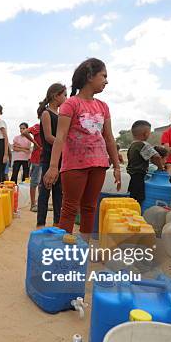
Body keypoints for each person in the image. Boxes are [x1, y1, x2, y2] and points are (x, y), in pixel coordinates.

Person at [43, 58, 121, 235]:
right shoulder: (71, 104)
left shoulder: (103, 106)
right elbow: (60, 137)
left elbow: (109, 138)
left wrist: (116, 166)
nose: (106, 81)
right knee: (70, 208)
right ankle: (64, 253)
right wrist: (53, 166)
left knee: (90, 208)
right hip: (74, 165)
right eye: (103, 76)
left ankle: (84, 249)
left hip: (99, 164)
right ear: (89, 76)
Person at [36, 83, 66, 225]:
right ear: (56, 96)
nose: (66, 98)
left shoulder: (60, 115)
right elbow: (48, 137)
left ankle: (57, 222)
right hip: (49, 157)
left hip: (60, 158)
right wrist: (63, 145)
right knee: (45, 191)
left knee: (58, 191)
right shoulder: (46, 114)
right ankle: (40, 223)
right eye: (64, 95)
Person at [127, 121, 166, 205]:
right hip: (139, 176)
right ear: (145, 134)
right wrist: (160, 167)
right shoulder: (144, 144)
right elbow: (156, 157)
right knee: (138, 199)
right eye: (149, 132)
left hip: (130, 175)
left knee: (131, 197)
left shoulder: (132, 145)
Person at [25, 123, 43, 212]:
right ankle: (33, 204)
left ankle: (41, 204)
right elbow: (25, 132)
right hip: (36, 158)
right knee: (35, 182)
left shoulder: (51, 126)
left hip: (46, 158)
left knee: (43, 183)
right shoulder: (38, 126)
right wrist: (35, 143)